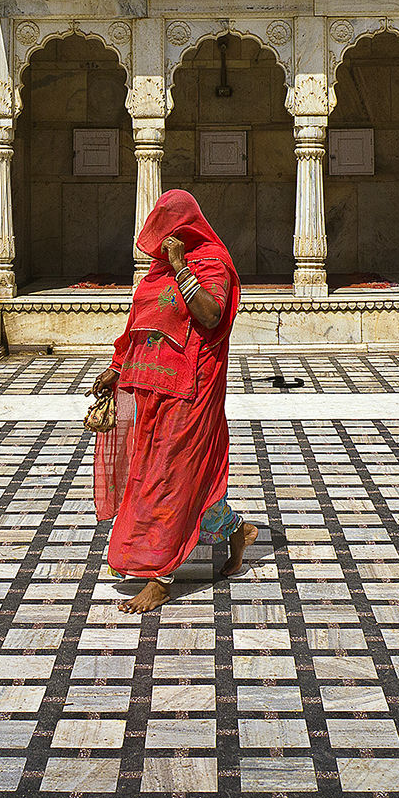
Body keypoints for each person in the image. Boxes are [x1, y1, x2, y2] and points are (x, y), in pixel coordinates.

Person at [92, 190, 257, 613]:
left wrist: (184, 267)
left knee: (169, 475)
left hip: (192, 389)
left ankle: (160, 576)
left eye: (169, 231)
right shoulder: (155, 273)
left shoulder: (212, 263)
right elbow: (140, 325)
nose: (162, 241)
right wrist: (117, 365)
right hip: (149, 386)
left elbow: (210, 315)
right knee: (155, 472)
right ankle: (235, 531)